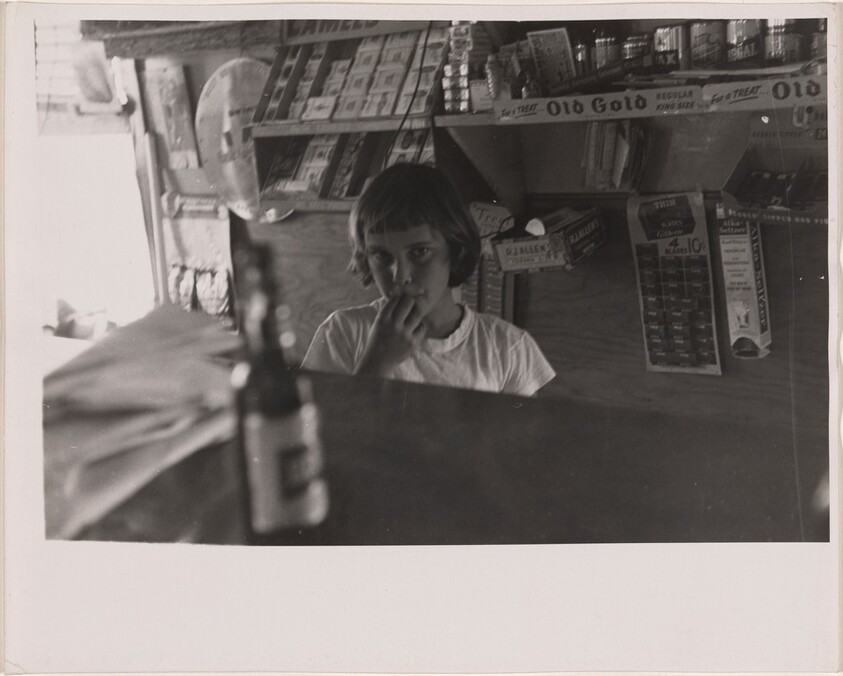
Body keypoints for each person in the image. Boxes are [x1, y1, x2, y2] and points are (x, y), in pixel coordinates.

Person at [301, 163, 555, 397]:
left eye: (419, 252)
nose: (400, 276)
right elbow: (318, 439)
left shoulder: (506, 347)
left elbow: (523, 443)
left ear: (456, 249)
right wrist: (377, 362)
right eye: (381, 255)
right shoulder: (343, 333)